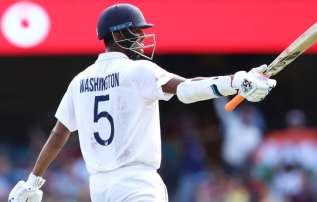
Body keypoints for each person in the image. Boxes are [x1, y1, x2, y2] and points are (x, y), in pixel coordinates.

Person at [8, 3, 276, 202]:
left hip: (99, 188)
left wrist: (33, 181)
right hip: (137, 183)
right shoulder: (137, 71)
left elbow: (59, 133)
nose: (140, 37)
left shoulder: (80, 81)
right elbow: (186, 89)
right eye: (135, 31)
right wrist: (238, 81)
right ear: (117, 35)